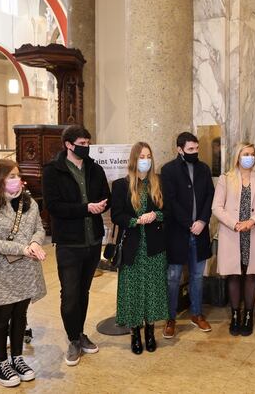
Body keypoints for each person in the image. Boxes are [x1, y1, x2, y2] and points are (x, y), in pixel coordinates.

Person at [0, 160, 47, 387]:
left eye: (17, 175)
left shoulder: (28, 202)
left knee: (20, 315)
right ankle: (1, 362)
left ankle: (17, 357)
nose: (16, 180)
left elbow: (39, 228)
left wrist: (35, 242)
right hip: (1, 271)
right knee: (1, 318)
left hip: (27, 269)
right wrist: (22, 248)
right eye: (10, 176)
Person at [42, 125, 110, 366]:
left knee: (83, 292)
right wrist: (85, 208)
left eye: (88, 142)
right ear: (68, 145)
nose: (86, 146)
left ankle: (80, 333)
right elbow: (53, 206)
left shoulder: (95, 168)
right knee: (69, 294)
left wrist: (102, 205)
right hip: (69, 242)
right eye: (81, 143)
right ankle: (72, 339)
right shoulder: (53, 171)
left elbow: (106, 196)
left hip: (92, 241)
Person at [212, 143, 255, 336]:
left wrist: (251, 221)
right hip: (233, 233)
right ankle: (234, 315)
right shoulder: (226, 179)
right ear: (238, 156)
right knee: (234, 274)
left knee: (251, 275)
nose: (249, 157)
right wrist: (235, 224)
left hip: (252, 233)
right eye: (245, 154)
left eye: (252, 154)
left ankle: (248, 316)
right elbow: (216, 207)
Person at [110, 142, 169, 354]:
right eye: (142, 156)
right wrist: (135, 221)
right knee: (132, 291)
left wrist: (156, 215)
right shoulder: (120, 185)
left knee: (153, 290)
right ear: (134, 159)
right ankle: (135, 333)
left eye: (149, 156)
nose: (146, 160)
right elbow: (116, 215)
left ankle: (150, 332)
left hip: (154, 247)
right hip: (132, 247)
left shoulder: (159, 182)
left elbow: (168, 210)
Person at [161, 132, 215, 337]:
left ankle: (197, 314)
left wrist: (202, 221)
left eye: (196, 148)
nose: (195, 152)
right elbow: (170, 201)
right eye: (190, 149)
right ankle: (170, 318)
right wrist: (189, 223)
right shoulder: (168, 170)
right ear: (179, 149)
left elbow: (210, 196)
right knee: (173, 276)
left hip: (199, 232)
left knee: (197, 276)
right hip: (177, 233)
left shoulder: (204, 169)